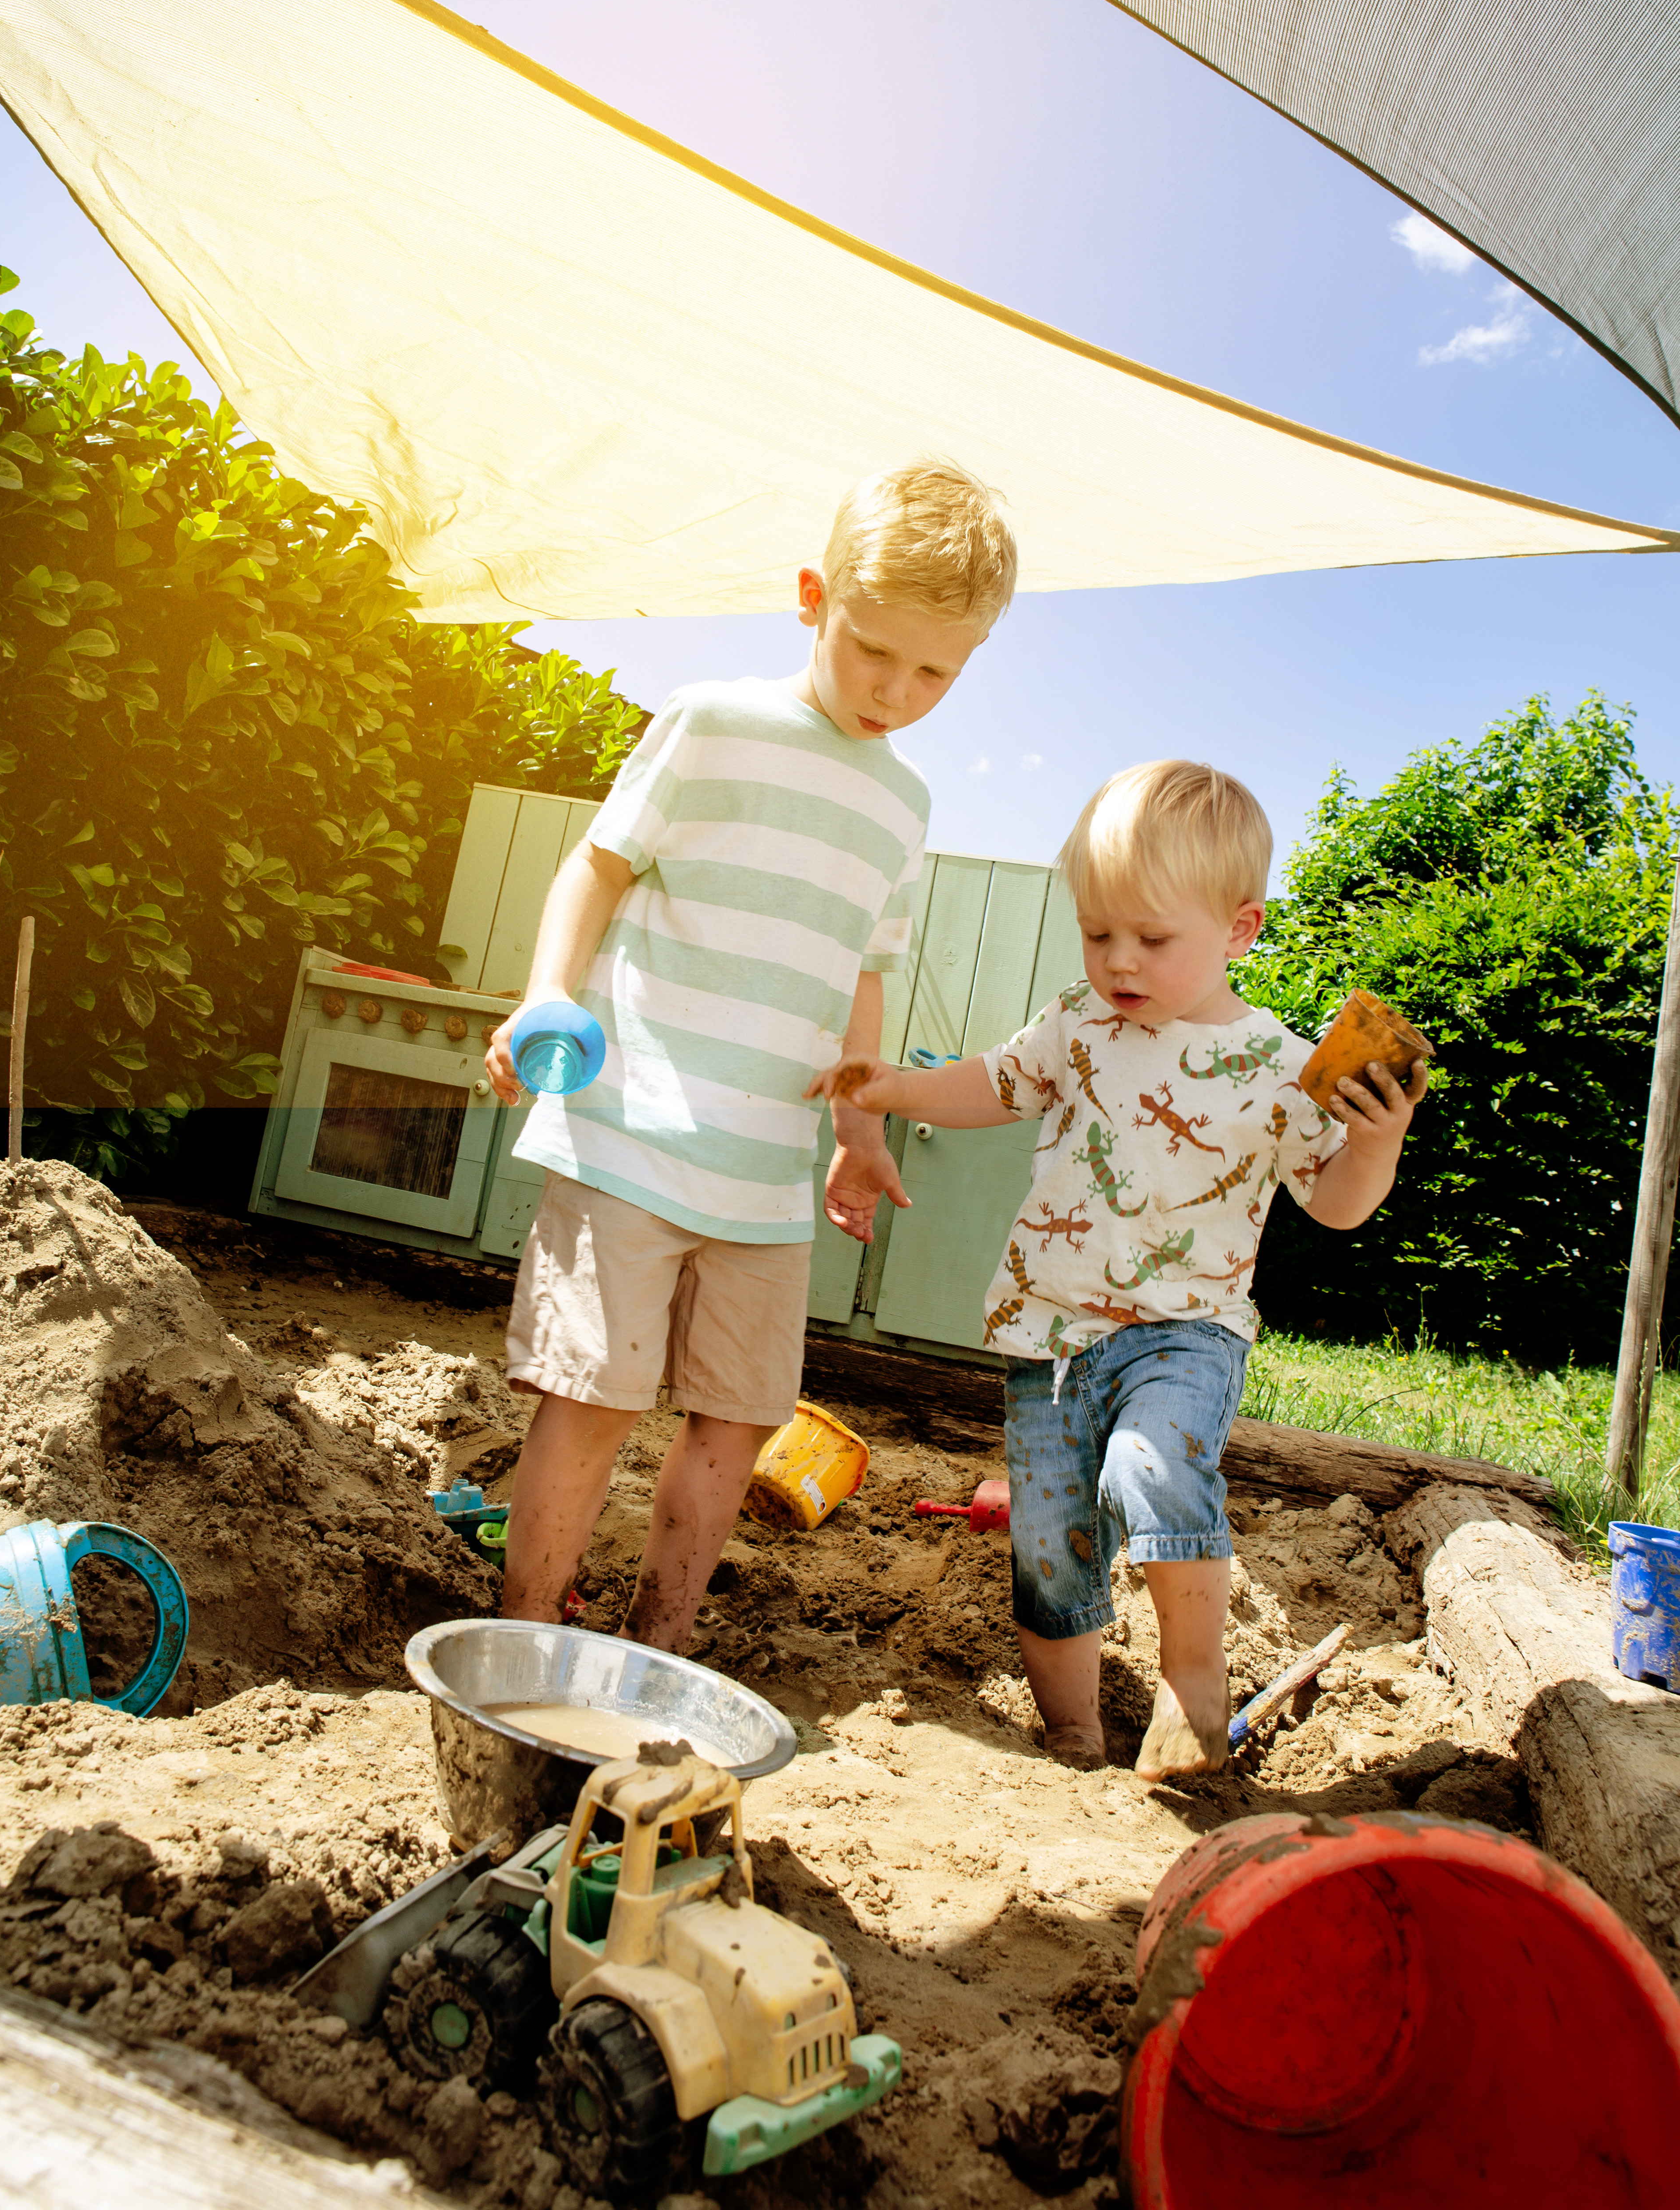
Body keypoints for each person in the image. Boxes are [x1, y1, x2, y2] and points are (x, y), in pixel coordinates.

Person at [485, 462, 1018, 1653]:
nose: (898, 688)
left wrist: (860, 1129)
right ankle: (525, 1631)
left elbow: (863, 970)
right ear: (811, 597)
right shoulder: (713, 721)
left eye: (938, 670)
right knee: (593, 1398)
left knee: (735, 1422)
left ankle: (656, 1644)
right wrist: (545, 994)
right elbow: (599, 864)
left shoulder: (904, 803)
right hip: (631, 1129)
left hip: (766, 1178)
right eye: (874, 648)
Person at [806, 758, 1427, 1781]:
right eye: (1099, 935)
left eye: (1151, 938)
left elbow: (1337, 1202)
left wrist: (1378, 1143)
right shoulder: (1078, 1025)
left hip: (1184, 1332)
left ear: (1241, 930)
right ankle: (1074, 1737)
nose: (1119, 962)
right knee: (1051, 1551)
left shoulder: (1279, 1065)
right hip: (1048, 1331)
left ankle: (1193, 1694)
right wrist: (894, 1088)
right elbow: (995, 1085)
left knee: (1151, 1469)